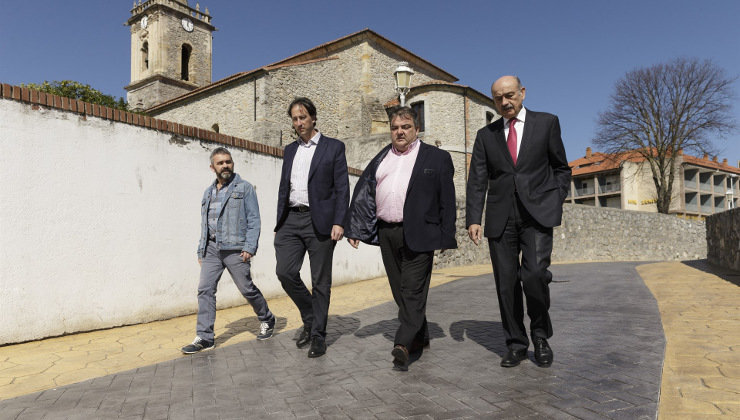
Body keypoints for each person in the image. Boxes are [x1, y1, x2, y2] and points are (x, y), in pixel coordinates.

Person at [466, 76, 571, 367]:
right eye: (498, 98)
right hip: (500, 218)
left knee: (535, 275)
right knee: (506, 283)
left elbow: (561, 168)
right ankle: (515, 342)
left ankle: (540, 335)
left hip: (537, 215)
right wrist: (473, 217)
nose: (504, 102)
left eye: (509, 95)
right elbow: (477, 180)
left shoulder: (547, 123)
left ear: (522, 93)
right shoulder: (485, 136)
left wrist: (555, 198)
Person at [345, 106, 456, 371]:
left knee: (412, 289)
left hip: (421, 232)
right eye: (395, 127)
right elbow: (366, 191)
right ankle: (421, 334)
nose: (400, 132)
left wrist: (446, 233)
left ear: (416, 129)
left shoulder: (436, 157)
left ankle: (403, 344)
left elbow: (447, 200)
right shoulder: (382, 158)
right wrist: (356, 226)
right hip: (388, 232)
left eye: (405, 127)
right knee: (400, 291)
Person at [274, 97, 350, 358]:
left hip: (321, 222)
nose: (299, 123)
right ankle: (310, 316)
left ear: (314, 118)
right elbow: (285, 187)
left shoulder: (333, 148)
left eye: (303, 117)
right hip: (291, 219)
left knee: (320, 282)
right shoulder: (290, 150)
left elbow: (342, 188)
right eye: (295, 119)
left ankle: (318, 334)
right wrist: (279, 221)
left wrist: (340, 221)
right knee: (284, 272)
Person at [182, 147, 276, 354]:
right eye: (220, 163)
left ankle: (267, 318)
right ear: (212, 167)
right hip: (212, 249)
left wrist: (250, 247)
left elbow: (254, 219)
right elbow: (205, 223)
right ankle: (205, 337)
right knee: (205, 290)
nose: (225, 165)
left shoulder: (244, 188)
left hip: (235, 249)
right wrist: (201, 249)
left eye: (228, 162)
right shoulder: (208, 192)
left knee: (246, 289)